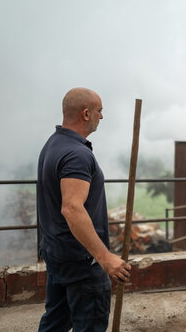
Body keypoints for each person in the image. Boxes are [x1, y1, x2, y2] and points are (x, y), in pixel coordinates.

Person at [37, 87, 131, 331]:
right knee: (90, 324)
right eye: (100, 111)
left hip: (58, 252)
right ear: (86, 114)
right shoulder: (77, 154)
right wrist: (105, 258)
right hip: (82, 262)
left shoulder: (53, 143)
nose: (102, 116)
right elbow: (72, 208)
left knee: (55, 322)